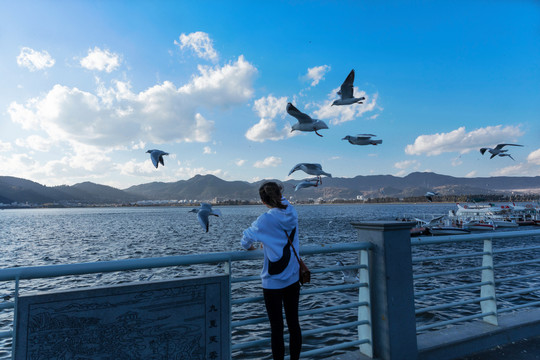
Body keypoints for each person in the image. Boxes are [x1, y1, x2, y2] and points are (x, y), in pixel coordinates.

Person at [241, 181, 302, 360]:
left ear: (263, 200)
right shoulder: (292, 211)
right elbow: (283, 204)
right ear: (279, 194)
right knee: (294, 324)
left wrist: (255, 246)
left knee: (276, 328)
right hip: (292, 277)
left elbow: (245, 240)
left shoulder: (265, 219)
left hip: (273, 282)